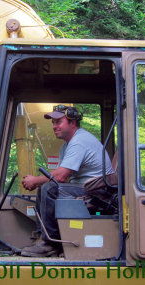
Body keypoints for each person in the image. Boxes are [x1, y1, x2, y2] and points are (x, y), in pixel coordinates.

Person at [21, 105, 114, 257]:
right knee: (46, 187)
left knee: (49, 188)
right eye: (53, 123)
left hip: (99, 193)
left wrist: (35, 180)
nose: (54, 126)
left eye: (58, 122)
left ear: (72, 122)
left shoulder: (79, 141)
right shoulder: (67, 145)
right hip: (85, 188)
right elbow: (61, 176)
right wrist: (38, 182)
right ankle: (43, 238)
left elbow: (60, 176)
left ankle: (51, 243)